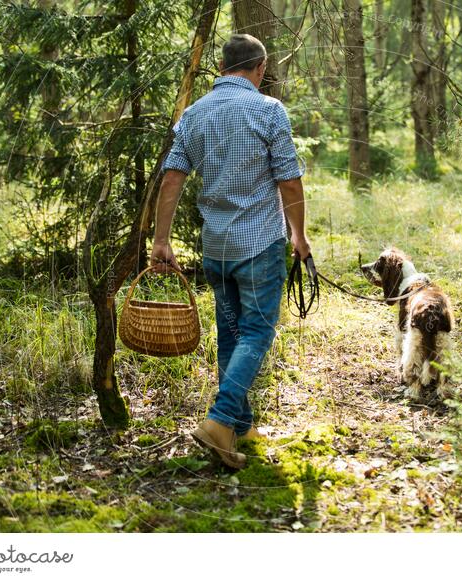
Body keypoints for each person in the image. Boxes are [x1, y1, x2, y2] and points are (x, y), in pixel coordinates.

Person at [150, 34, 310, 469]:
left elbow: (171, 180)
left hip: (216, 247)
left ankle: (238, 428)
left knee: (232, 334)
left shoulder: (194, 114)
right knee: (257, 332)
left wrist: (160, 240)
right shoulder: (268, 110)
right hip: (259, 245)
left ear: (223, 68)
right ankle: (219, 421)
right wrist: (300, 236)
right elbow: (290, 182)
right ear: (258, 68)